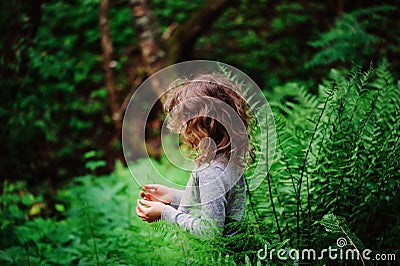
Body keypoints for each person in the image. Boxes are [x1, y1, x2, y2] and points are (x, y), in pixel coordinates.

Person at [136, 73, 252, 237]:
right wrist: (171, 196)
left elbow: (210, 232)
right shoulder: (226, 158)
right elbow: (213, 204)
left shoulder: (211, 172)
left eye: (184, 120)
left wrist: (165, 213)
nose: (180, 129)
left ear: (202, 124)